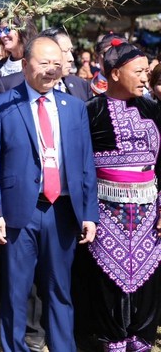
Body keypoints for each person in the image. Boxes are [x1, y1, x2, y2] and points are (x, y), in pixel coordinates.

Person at [0, 36, 99, 352]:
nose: (51, 70)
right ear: (26, 63)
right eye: (44, 62)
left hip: (63, 211)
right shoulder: (2, 104)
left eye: (57, 63)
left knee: (60, 289)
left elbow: (85, 163)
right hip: (20, 211)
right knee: (16, 291)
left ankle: (63, 347)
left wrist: (89, 213)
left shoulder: (74, 107)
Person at [83, 40, 161, 351]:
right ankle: (111, 340)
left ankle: (141, 339)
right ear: (115, 73)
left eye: (147, 71)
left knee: (148, 278)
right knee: (107, 281)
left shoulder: (154, 109)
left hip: (150, 211)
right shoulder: (90, 111)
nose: (146, 78)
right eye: (139, 71)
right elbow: (79, 167)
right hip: (105, 211)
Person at [0, 15, 38, 90]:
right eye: (0, 31)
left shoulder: (36, 63)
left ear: (22, 30)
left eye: (7, 29)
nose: (3, 35)